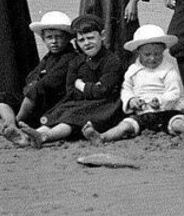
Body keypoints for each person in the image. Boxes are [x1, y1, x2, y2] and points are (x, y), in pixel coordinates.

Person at [82, 24, 184, 145]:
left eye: (157, 54)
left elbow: (174, 92)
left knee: (177, 122)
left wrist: (160, 100)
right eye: (147, 54)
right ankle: (103, 137)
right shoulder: (133, 70)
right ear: (138, 52)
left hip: (165, 110)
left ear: (163, 51)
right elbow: (126, 88)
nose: (152, 58)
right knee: (126, 125)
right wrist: (131, 100)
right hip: (142, 112)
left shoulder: (168, 70)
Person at [16, 14, 125, 149]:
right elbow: (71, 90)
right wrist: (88, 90)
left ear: (102, 36)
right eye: (81, 40)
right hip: (79, 101)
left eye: (91, 38)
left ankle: (45, 137)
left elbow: (103, 91)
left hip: (104, 104)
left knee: (72, 118)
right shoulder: (77, 62)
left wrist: (82, 86)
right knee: (59, 113)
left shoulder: (112, 61)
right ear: (76, 42)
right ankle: (28, 136)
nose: (87, 43)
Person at [0, 11, 79, 145]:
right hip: (38, 99)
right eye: (49, 38)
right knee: (3, 99)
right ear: (44, 39)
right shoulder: (48, 57)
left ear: (68, 38)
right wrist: (32, 84)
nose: (54, 41)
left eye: (58, 37)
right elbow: (32, 76)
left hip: (53, 100)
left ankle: (18, 121)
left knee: (35, 91)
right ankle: (11, 124)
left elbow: (49, 82)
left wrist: (33, 86)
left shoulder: (69, 57)